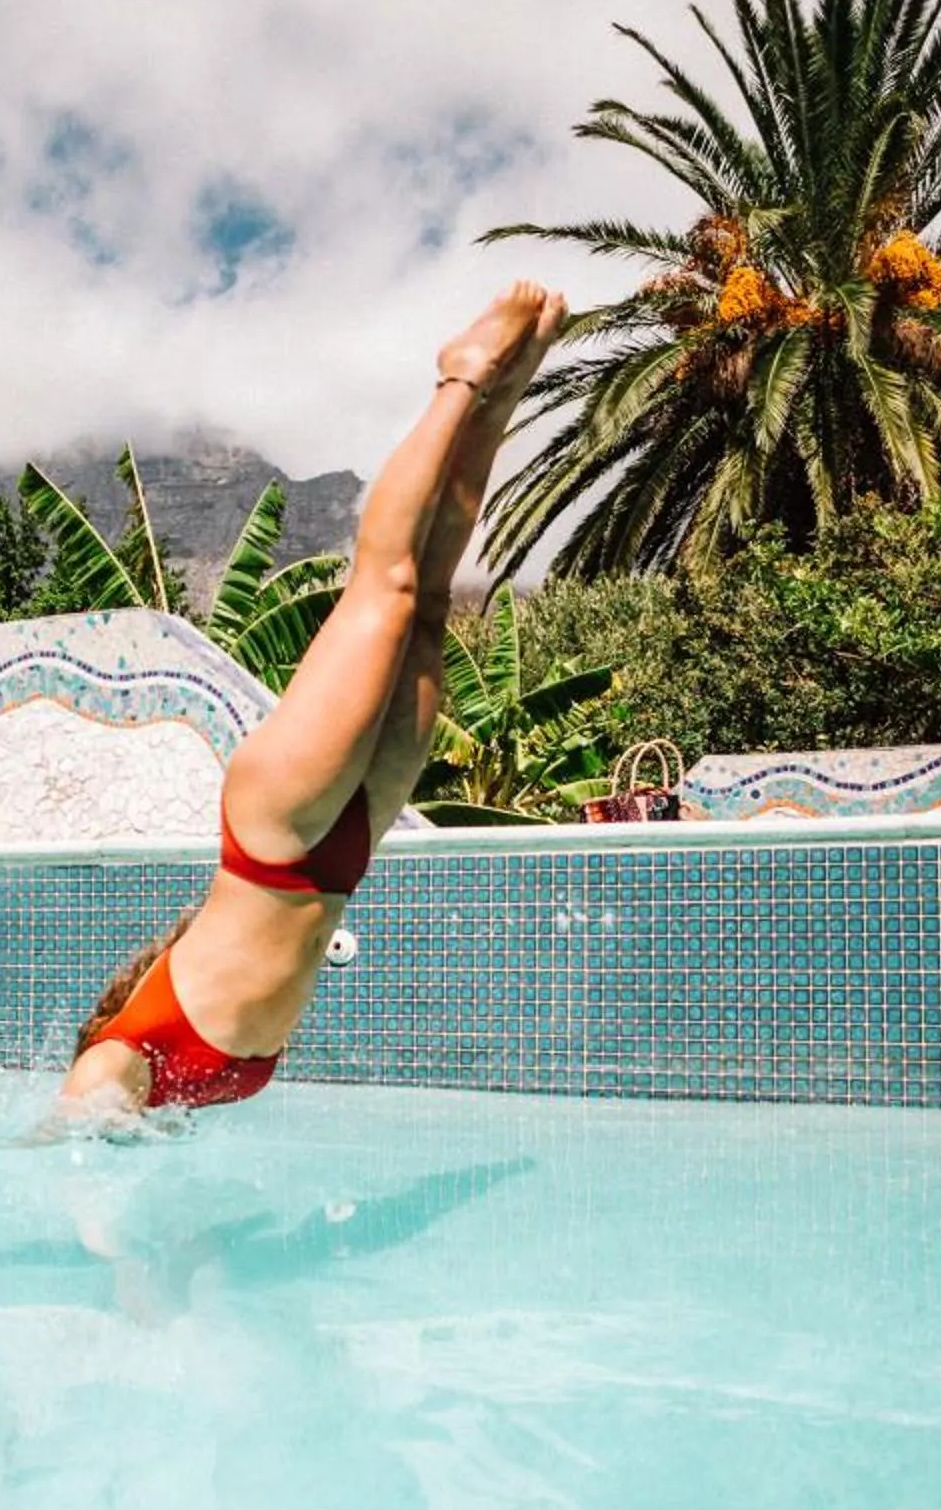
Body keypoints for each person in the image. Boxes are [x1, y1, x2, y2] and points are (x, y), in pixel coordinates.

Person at [55, 282, 566, 1119]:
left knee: (390, 588)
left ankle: (459, 377)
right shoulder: (182, 1092)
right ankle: (503, 394)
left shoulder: (118, 1064)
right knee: (434, 600)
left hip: (278, 836)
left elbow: (63, 1158)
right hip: (344, 852)